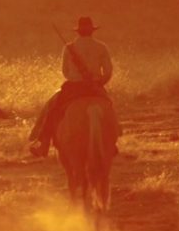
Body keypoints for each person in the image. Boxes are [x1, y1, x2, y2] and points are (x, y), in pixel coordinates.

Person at [27, 17, 117, 158]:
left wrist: (78, 78)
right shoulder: (101, 47)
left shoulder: (69, 48)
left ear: (78, 31)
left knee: (52, 109)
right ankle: (113, 143)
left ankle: (43, 146)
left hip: (74, 87)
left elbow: (66, 72)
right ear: (92, 31)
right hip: (95, 87)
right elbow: (108, 72)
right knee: (109, 107)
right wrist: (99, 83)